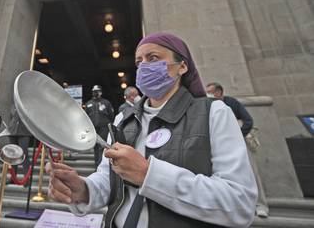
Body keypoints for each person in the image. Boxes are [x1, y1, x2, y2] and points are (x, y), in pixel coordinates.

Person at [47, 32, 258, 228]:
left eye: (153, 58)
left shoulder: (214, 112)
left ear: (182, 66)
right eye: (139, 62)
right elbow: (108, 178)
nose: (144, 66)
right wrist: (83, 190)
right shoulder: (123, 118)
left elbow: (240, 203)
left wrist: (149, 175)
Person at [206, 82, 269, 218]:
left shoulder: (232, 103)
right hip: (221, 143)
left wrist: (237, 136)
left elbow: (248, 121)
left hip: (239, 141)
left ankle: (260, 205)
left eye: (211, 91)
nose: (209, 94)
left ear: (220, 92)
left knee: (251, 170)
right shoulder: (209, 105)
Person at [84, 85, 114, 167]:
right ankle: (97, 166)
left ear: (100, 92)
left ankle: (102, 166)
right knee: (96, 148)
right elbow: (85, 117)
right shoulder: (88, 103)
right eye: (94, 91)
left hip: (104, 128)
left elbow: (111, 116)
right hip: (93, 129)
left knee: (103, 147)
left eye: (97, 91)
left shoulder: (106, 103)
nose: (95, 93)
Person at [6, 106, 32, 183]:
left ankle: (27, 178)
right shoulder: (13, 106)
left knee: (24, 154)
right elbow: (11, 118)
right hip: (13, 132)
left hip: (24, 132)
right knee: (13, 155)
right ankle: (13, 178)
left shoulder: (27, 105)